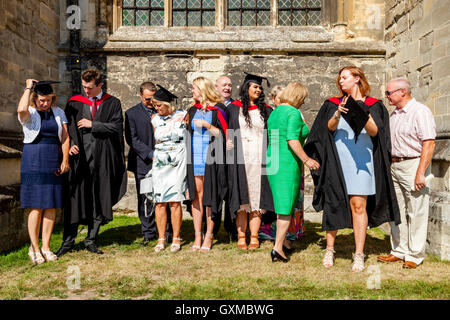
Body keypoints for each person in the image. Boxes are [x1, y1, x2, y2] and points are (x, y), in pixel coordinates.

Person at [304, 66, 400, 272]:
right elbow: (327, 128)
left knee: (359, 206)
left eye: (345, 78)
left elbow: (375, 132)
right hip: (338, 162)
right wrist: (338, 113)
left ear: (357, 79)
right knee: (335, 203)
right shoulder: (332, 104)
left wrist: (361, 113)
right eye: (340, 79)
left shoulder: (374, 105)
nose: (341, 82)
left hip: (362, 162)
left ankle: (359, 253)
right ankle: (330, 249)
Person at [56, 68, 127, 257]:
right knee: (74, 199)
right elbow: (66, 129)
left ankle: (91, 239)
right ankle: (68, 241)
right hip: (80, 160)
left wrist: (93, 125)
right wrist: (69, 146)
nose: (86, 91)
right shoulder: (74, 103)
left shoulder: (112, 103)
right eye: (84, 87)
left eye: (90, 88)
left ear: (99, 85)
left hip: (102, 160)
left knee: (98, 198)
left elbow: (117, 127)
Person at [377, 78, 436, 269]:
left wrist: (420, 173)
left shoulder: (420, 111)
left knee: (416, 209)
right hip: (394, 165)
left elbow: (429, 143)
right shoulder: (394, 115)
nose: (386, 96)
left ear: (403, 92)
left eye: (389, 93)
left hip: (413, 164)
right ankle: (399, 250)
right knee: (397, 210)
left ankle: (415, 254)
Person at [17, 79, 70, 264]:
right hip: (33, 161)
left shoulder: (59, 113)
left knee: (50, 204)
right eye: (41, 100)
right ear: (35, 99)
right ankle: (34, 248)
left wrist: (65, 159)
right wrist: (28, 87)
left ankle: (46, 246)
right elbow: (20, 109)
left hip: (52, 160)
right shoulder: (29, 113)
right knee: (36, 205)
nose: (45, 104)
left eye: (48, 100)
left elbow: (65, 137)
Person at [266, 82, 319, 262]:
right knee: (286, 208)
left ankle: (284, 243)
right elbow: (292, 139)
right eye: (302, 99)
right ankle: (278, 248)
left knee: (281, 206)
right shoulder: (293, 113)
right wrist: (307, 160)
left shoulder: (275, 111)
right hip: (287, 163)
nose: (303, 103)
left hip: (273, 160)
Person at [227, 72, 274, 250]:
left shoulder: (266, 110)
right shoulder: (233, 108)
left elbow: (273, 134)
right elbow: (226, 129)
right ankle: (241, 236)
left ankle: (254, 236)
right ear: (247, 88)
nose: (258, 90)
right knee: (241, 199)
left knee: (257, 197)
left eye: (260, 88)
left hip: (259, 159)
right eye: (255, 86)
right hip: (240, 159)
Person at [185, 77, 228, 251]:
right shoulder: (192, 110)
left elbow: (224, 135)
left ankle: (209, 235)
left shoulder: (218, 110)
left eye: (195, 88)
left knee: (210, 199)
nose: (192, 91)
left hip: (211, 160)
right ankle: (197, 234)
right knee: (196, 197)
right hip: (194, 159)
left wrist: (206, 124)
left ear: (203, 90)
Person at [150, 85, 187, 253]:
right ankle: (161, 238)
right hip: (160, 161)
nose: (156, 108)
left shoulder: (183, 115)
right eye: (154, 105)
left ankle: (177, 237)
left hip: (177, 160)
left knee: (174, 200)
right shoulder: (154, 119)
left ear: (168, 104)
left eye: (159, 105)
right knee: (159, 201)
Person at [125, 82, 159, 246]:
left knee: (163, 198)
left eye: (153, 98)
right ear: (140, 95)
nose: (151, 102)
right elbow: (132, 139)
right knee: (145, 198)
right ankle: (148, 232)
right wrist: (150, 154)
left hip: (163, 163)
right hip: (143, 163)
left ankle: (165, 231)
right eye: (147, 99)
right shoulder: (131, 114)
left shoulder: (162, 110)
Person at [214, 75, 237, 241]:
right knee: (214, 193)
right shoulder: (211, 106)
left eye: (229, 85)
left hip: (233, 155)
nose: (227, 88)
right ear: (216, 87)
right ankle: (212, 229)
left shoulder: (237, 106)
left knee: (231, 192)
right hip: (214, 155)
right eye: (224, 85)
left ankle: (232, 229)